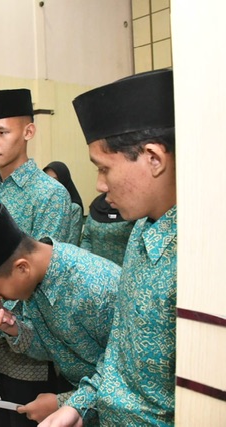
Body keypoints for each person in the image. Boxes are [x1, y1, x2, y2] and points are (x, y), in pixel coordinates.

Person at [40, 68, 177, 426]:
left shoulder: (199, 255)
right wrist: (77, 406)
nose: (99, 185)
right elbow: (119, 350)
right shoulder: (141, 232)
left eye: (104, 168)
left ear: (154, 159)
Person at [0, 203, 120, 424]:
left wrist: (64, 402)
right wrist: (10, 327)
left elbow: (125, 372)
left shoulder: (95, 288)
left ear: (22, 268)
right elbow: (50, 349)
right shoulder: (37, 278)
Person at [0, 88, 73, 427]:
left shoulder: (50, 195)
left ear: (28, 131)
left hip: (28, 355)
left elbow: (39, 282)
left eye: (1, 132)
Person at [80, 193, 135, 266]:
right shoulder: (97, 205)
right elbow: (86, 238)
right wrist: (84, 263)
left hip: (125, 268)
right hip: (96, 266)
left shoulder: (136, 208)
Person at [42, 161, 84, 245]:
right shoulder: (43, 204)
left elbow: (72, 243)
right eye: (47, 179)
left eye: (55, 180)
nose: (50, 184)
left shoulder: (74, 208)